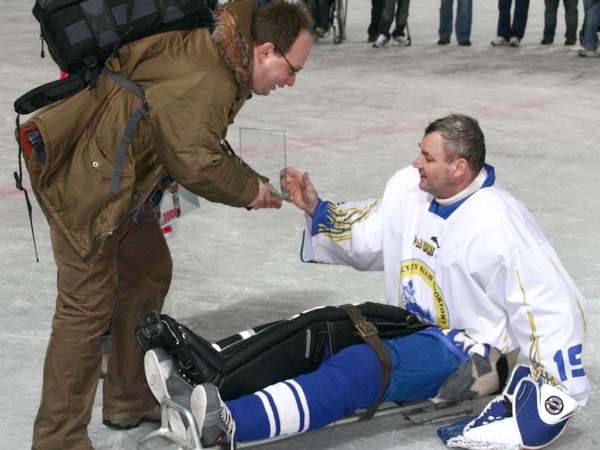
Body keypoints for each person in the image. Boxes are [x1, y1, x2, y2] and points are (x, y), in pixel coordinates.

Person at [148, 114, 590, 449]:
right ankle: (207, 369)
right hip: (412, 324)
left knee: (361, 367)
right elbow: (370, 233)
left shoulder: (502, 221)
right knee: (318, 328)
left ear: (459, 167)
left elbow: (551, 307)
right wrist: (317, 208)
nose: (416, 162)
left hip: (470, 349)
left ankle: (228, 424)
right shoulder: (410, 189)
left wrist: (550, 393)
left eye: (428, 157)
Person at [21, 1, 314, 448]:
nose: (291, 82)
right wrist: (249, 192)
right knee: (85, 308)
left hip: (120, 184)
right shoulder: (209, 73)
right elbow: (195, 161)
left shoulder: (220, 60)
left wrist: (254, 184)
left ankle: (127, 396)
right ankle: (57, 438)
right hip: (87, 184)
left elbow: (196, 139)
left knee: (147, 269)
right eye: (291, 69)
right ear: (265, 50)